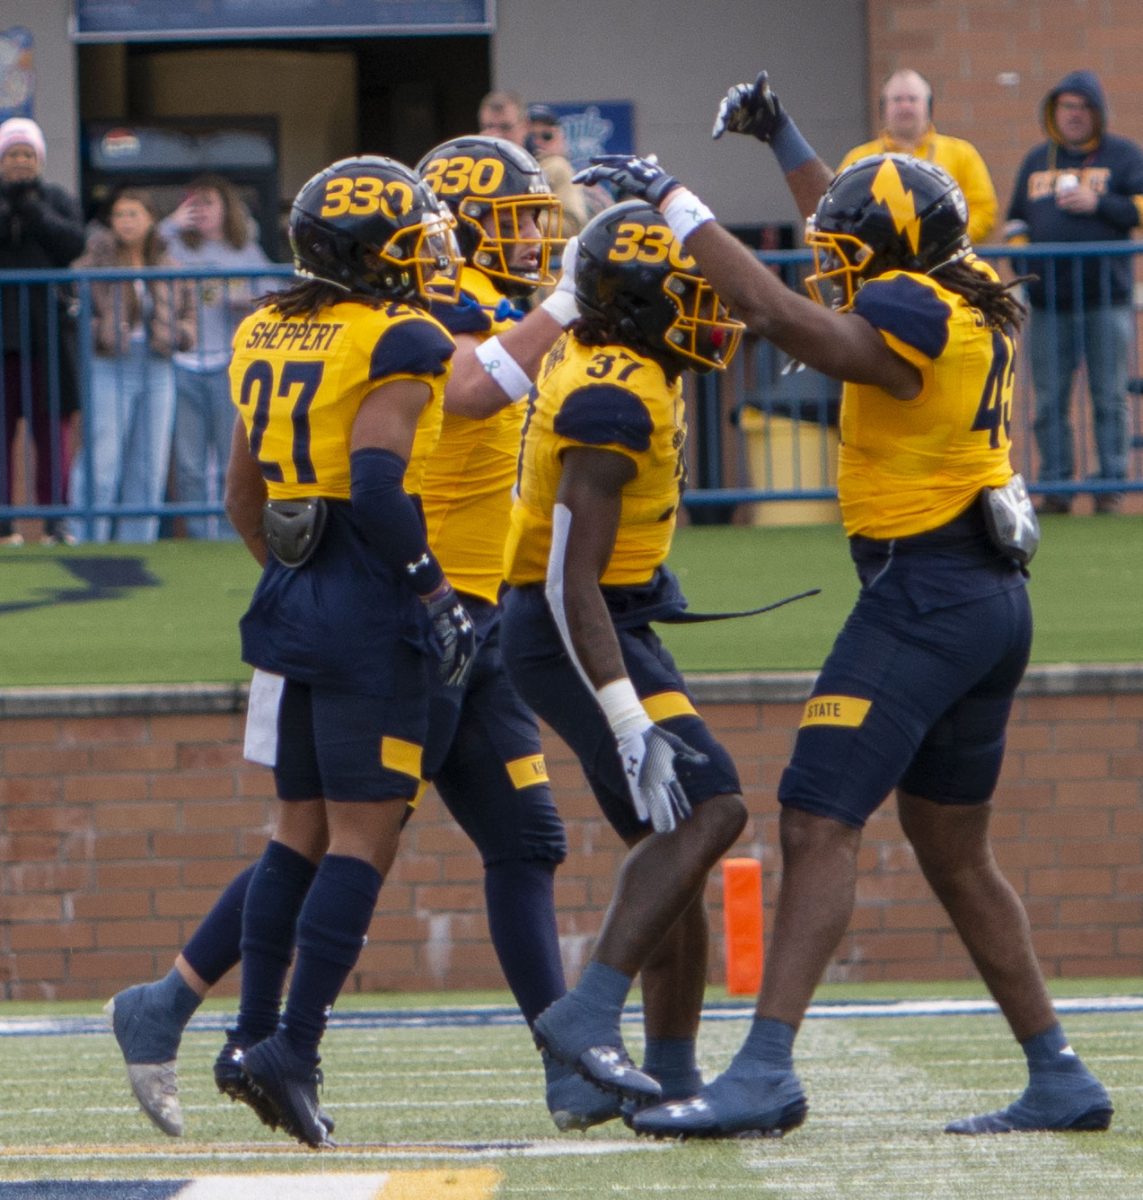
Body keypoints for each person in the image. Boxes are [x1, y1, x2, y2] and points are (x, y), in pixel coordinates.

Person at [573, 71, 1113, 1139]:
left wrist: (677, 201)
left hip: (927, 591)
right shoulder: (954, 284)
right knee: (955, 852)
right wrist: (785, 139)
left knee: (818, 817)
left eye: (853, 249)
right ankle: (1057, 1073)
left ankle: (766, 1067)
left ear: (894, 260)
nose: (833, 254)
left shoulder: (911, 306)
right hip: (986, 600)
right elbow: (854, 228)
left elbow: (781, 311)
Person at [217, 154, 473, 1147]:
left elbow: (242, 494)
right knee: (364, 837)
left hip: (290, 586)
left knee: (295, 831)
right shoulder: (401, 335)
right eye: (412, 236)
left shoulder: (262, 325)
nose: (428, 253)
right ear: (372, 251)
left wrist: (294, 578)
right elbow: (376, 484)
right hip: (368, 596)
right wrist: (433, 589)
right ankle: (293, 1048)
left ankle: (247, 1035)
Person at [499, 200, 751, 1118]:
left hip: (596, 618)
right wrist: (624, 712)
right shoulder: (614, 392)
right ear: (639, 305)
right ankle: (587, 1014)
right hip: (572, 627)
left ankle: (669, 1083)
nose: (710, 313)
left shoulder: (633, 357)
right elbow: (572, 581)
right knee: (713, 805)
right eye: (690, 296)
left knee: (669, 844)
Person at [1005, 69, 1143, 516]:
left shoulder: (1124, 157)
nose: (1075, 115)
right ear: (1054, 111)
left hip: (1107, 299)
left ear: (1097, 112)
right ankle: (1057, 487)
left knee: (1108, 395)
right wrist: (1025, 266)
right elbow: (1015, 224)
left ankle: (1109, 486)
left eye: (1084, 107)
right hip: (1047, 302)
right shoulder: (1035, 160)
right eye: (1067, 106)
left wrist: (1097, 203)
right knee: (1048, 399)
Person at [70, 187, 195, 543]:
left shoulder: (168, 261)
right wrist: (100, 331)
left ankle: (138, 542)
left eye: (134, 214)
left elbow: (189, 314)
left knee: (150, 461)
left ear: (151, 219)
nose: (125, 222)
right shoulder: (95, 259)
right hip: (109, 362)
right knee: (103, 456)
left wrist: (179, 334)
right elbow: (72, 303)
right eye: (119, 215)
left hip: (157, 364)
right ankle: (86, 538)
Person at [160, 174, 275, 538]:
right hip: (185, 362)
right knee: (190, 460)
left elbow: (273, 293)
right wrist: (170, 224)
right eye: (194, 204)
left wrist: (248, 300)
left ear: (226, 207)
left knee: (229, 456)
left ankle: (229, 534)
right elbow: (142, 247)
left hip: (228, 362)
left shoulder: (245, 250)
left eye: (208, 203)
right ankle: (197, 534)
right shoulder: (175, 245)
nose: (201, 211)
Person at [0, 116, 85, 546]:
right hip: (3, 336)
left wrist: (32, 211)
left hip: (47, 335)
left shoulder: (56, 199)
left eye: (27, 154)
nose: (19, 162)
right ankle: (2, 525)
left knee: (53, 428)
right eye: (12, 154)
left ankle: (56, 521)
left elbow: (73, 242)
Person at [839, 68, 998, 244]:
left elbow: (984, 210)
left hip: (945, 267)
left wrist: (947, 242)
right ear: (883, 108)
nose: (905, 106)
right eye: (897, 100)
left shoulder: (963, 153)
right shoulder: (860, 158)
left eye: (913, 99)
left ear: (928, 106)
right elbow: (842, 211)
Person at [526, 105, 590, 234]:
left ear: (560, 138)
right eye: (531, 137)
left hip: (552, 252)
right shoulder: (509, 165)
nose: (538, 142)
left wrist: (518, 222)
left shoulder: (558, 167)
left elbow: (573, 225)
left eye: (547, 136)